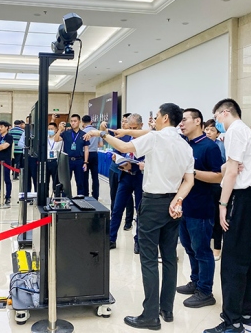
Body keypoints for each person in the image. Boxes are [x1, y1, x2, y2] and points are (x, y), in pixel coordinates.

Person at [89, 103, 194, 330]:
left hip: (153, 203)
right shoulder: (185, 145)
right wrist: (178, 200)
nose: (154, 120)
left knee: (148, 259)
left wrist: (102, 134)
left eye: (157, 116)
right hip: (173, 204)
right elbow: (189, 180)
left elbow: (124, 147)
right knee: (169, 258)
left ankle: (150, 315)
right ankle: (166, 309)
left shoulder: (155, 138)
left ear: (165, 118)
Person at [204, 98, 251, 333]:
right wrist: (227, 168)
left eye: (216, 117)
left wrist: (222, 204)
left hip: (240, 199)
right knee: (246, 261)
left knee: (232, 263)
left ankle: (233, 322)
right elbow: (230, 167)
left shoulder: (235, 131)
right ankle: (246, 315)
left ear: (225, 112)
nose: (216, 122)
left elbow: (230, 173)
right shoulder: (244, 131)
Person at [176, 109, 223, 308]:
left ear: (197, 121)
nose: (181, 124)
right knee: (189, 247)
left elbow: (218, 176)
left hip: (201, 206)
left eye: (184, 120)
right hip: (184, 205)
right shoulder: (184, 144)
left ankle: (205, 291)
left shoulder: (209, 147)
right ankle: (195, 281)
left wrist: (191, 172)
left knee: (202, 250)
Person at [100, 113, 144, 253]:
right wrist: (117, 158)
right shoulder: (124, 137)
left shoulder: (147, 139)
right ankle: (111, 239)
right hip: (125, 177)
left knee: (140, 210)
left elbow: (147, 162)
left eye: (135, 128)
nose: (132, 130)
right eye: (130, 128)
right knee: (117, 208)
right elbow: (118, 151)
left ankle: (139, 241)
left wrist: (134, 166)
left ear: (141, 126)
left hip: (140, 178)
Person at [105, 113, 135, 231]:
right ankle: (113, 219)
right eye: (122, 121)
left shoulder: (132, 137)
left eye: (126, 122)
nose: (123, 123)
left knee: (127, 197)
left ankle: (128, 221)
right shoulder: (118, 134)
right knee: (114, 195)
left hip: (126, 170)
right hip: (114, 168)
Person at [203, 118, 226, 260]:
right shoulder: (201, 144)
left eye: (212, 130)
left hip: (217, 185)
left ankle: (217, 248)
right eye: (206, 129)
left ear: (218, 133)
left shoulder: (220, 145)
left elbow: (223, 165)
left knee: (217, 217)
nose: (209, 132)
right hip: (203, 184)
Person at [55, 114, 89, 196]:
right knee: (65, 182)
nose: (73, 123)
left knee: (80, 182)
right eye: (71, 121)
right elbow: (56, 139)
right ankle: (65, 198)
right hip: (67, 161)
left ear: (79, 122)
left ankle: (80, 198)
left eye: (75, 121)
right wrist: (60, 130)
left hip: (79, 161)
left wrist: (85, 162)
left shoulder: (84, 134)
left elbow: (86, 149)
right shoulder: (66, 133)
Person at [82, 115, 103, 199]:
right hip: (94, 154)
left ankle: (85, 194)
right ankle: (95, 195)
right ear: (91, 121)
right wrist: (93, 145)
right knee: (95, 176)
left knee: (85, 176)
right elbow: (101, 144)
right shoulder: (97, 132)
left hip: (84, 155)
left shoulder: (82, 132)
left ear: (82, 122)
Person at [46, 122, 63, 194]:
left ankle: (57, 197)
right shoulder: (45, 138)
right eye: (49, 129)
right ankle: (45, 197)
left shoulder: (59, 139)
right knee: (45, 182)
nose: (50, 130)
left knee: (56, 181)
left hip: (55, 162)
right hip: (46, 161)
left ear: (56, 129)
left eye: (52, 129)